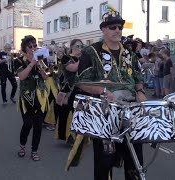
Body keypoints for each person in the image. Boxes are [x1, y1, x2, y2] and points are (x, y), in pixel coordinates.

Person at [74, 9, 146, 180]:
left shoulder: (129, 52)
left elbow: (137, 76)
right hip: (105, 112)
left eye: (120, 27)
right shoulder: (91, 51)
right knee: (104, 163)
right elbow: (82, 82)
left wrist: (140, 91)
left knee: (135, 161)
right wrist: (103, 91)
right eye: (112, 27)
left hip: (130, 110)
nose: (117, 30)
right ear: (103, 30)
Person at [15, 35, 49, 161]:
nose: (34, 48)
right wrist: (32, 63)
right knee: (27, 123)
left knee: (38, 125)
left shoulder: (42, 59)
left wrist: (42, 69)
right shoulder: (19, 61)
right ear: (25, 48)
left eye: (35, 45)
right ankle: (22, 146)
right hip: (26, 96)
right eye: (30, 46)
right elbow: (22, 76)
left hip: (40, 95)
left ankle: (34, 150)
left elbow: (47, 77)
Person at [56, 39, 83, 143]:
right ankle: (68, 136)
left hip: (81, 88)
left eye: (81, 46)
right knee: (67, 114)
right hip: (68, 89)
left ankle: (79, 136)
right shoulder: (66, 58)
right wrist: (82, 59)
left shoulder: (81, 58)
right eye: (77, 46)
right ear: (71, 47)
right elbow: (73, 68)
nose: (79, 48)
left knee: (78, 113)